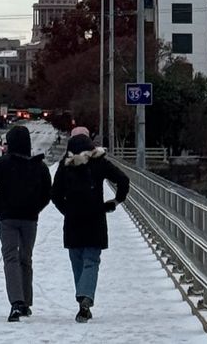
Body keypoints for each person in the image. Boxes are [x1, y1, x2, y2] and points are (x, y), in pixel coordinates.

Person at [50, 126, 130, 323]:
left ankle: (82, 300)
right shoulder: (99, 162)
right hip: (96, 217)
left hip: (73, 220)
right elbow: (123, 179)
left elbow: (55, 194)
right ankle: (86, 297)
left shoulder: (65, 164)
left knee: (77, 260)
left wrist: (66, 210)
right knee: (91, 261)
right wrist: (116, 201)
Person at [0, 125, 51, 322]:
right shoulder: (39, 166)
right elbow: (48, 192)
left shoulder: (1, 164)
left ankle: (16, 302)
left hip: (8, 218)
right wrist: (36, 207)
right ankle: (26, 302)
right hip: (30, 218)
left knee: (10, 258)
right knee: (26, 258)